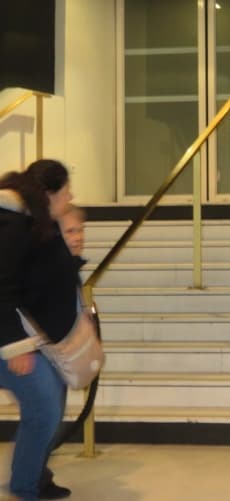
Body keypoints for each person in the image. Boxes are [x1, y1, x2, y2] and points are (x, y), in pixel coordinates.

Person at [0, 160, 78, 501]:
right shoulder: (12, 222)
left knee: (47, 405)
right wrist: (16, 345)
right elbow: (2, 286)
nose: (71, 195)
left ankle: (30, 481)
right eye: (65, 190)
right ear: (48, 192)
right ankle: (25, 486)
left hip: (24, 334)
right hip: (9, 338)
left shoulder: (29, 221)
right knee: (44, 407)